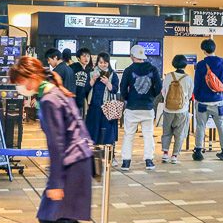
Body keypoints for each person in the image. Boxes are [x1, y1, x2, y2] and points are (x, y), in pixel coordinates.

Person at [8, 56, 118, 223]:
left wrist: (55, 182)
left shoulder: (49, 99)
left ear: (32, 77)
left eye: (20, 81)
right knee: (62, 218)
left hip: (69, 165)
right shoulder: (56, 91)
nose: (19, 87)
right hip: (79, 160)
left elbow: (57, 143)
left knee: (49, 219)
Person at [119, 44, 162, 172]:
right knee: (148, 135)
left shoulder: (128, 70)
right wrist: (151, 97)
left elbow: (123, 90)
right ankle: (149, 161)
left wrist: (129, 99)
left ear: (132, 56)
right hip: (147, 108)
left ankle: (126, 162)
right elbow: (158, 88)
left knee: (128, 135)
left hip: (132, 107)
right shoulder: (153, 69)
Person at [193, 39, 223, 161]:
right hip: (218, 101)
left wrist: (197, 98)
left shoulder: (200, 65)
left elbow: (197, 84)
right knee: (221, 126)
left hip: (203, 102)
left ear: (203, 50)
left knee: (200, 126)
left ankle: (198, 151)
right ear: (214, 48)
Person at [161, 54, 194, 164]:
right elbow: (189, 96)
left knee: (166, 132)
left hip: (168, 109)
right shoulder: (188, 79)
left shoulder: (168, 76)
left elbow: (163, 91)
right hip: (182, 110)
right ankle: (174, 156)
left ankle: (165, 154)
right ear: (185, 65)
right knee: (179, 134)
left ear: (174, 63)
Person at [83, 52, 120, 151]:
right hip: (94, 108)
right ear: (97, 63)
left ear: (109, 63)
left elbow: (115, 90)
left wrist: (108, 82)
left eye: (105, 62)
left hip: (108, 108)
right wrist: (93, 80)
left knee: (108, 133)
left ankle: (109, 155)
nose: (103, 65)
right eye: (101, 62)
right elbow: (85, 89)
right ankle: (92, 155)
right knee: (93, 131)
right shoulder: (91, 74)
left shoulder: (113, 75)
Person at [69, 48, 93, 117]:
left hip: (81, 100)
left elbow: (86, 87)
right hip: (72, 100)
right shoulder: (72, 67)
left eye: (88, 56)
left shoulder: (88, 70)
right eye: (84, 56)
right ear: (78, 58)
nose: (86, 58)